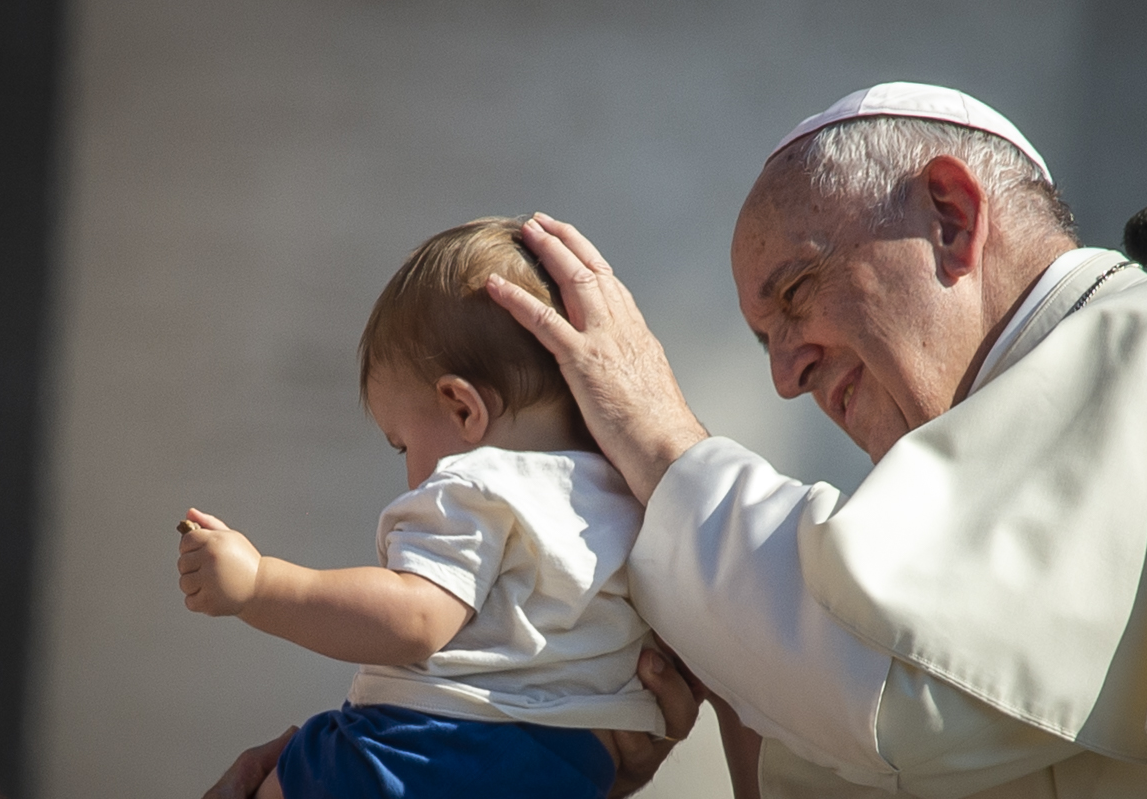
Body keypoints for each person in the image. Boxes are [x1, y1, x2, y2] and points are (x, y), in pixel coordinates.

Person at [485, 83, 1147, 797]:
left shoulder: (1131, 342)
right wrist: (731, 688)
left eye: (797, 291)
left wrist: (659, 439)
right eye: (765, 340)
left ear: (952, 220)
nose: (785, 376)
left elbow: (904, 692)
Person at [177, 217, 674, 799]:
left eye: (403, 445)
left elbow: (415, 619)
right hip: (571, 770)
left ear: (462, 409)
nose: (409, 471)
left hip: (430, 752)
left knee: (290, 778)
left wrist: (259, 584)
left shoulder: (478, 481)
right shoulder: (630, 503)